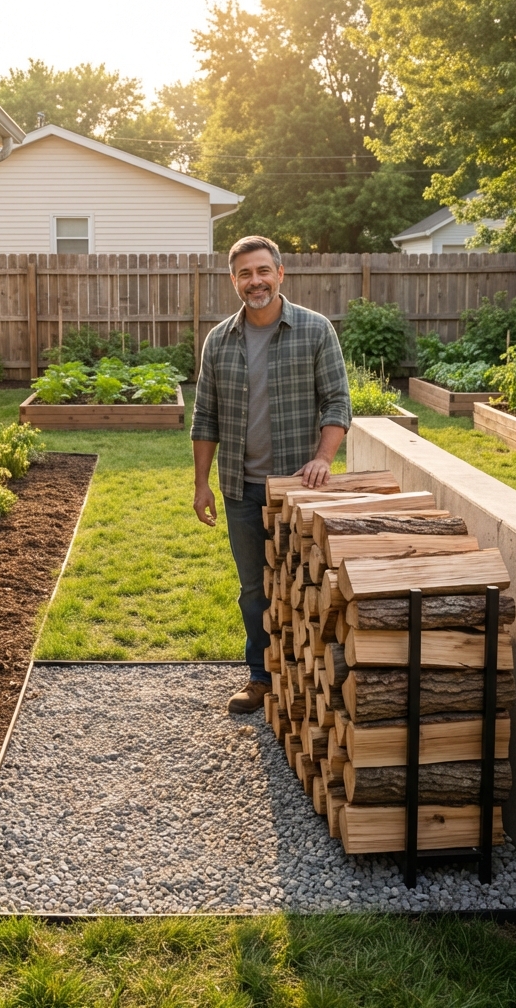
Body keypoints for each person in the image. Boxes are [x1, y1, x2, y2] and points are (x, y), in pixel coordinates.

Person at [191, 236, 351, 714]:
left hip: (301, 488)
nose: (254, 281)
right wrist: (201, 484)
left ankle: (310, 675)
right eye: (244, 273)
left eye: (263, 271)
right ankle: (261, 677)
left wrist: (323, 457)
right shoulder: (219, 340)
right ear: (234, 281)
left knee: (309, 581)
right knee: (253, 589)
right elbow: (205, 418)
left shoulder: (315, 330)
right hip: (241, 488)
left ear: (281, 274)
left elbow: (338, 401)